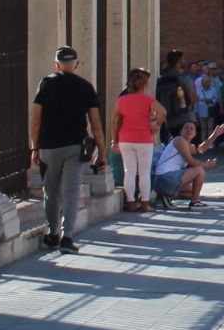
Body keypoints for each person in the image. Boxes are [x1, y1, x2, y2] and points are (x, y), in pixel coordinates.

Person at [29, 45, 107, 254]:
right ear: (77, 64)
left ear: (56, 64)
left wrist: (34, 147)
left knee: (51, 190)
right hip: (75, 145)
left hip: (48, 145)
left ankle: (53, 232)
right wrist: (102, 152)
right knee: (71, 190)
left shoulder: (46, 84)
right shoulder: (86, 87)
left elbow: (36, 119)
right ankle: (68, 236)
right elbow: (96, 124)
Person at [113, 68, 162, 212]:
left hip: (125, 138)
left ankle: (131, 202)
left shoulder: (121, 100)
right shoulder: (148, 100)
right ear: (145, 85)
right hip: (144, 138)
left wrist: (114, 139)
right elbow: (162, 112)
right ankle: (145, 204)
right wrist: (157, 125)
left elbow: (114, 120)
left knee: (129, 171)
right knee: (144, 172)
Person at [152, 120, 224, 207]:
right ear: (181, 132)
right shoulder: (179, 140)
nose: (189, 130)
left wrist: (214, 135)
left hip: (161, 181)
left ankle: (164, 196)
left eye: (192, 128)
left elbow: (201, 149)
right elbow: (191, 161)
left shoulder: (187, 145)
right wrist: (207, 165)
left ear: (195, 133)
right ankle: (195, 201)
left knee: (191, 191)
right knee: (199, 170)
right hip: (165, 178)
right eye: (186, 128)